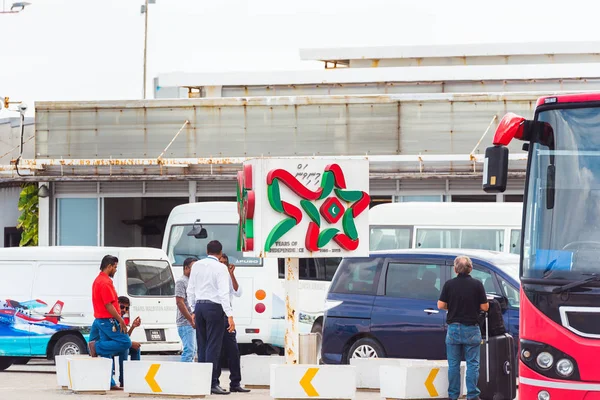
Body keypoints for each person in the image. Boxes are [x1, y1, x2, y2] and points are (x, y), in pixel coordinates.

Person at [187, 240, 236, 395]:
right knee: (213, 346)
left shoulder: (196, 266)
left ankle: (202, 381)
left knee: (202, 345)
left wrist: (193, 310)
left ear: (207, 251)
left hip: (199, 307)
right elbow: (223, 293)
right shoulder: (221, 268)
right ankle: (212, 383)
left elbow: (190, 290)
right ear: (220, 253)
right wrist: (229, 315)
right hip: (214, 308)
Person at [438, 256, 489, 400]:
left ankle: (453, 396)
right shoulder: (477, 284)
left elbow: (440, 305)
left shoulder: (449, 284)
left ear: (455, 269)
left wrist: (452, 306)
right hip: (472, 329)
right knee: (472, 364)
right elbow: (484, 307)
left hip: (453, 329)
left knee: (453, 365)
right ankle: (472, 395)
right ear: (471, 269)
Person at [88, 255, 132, 391]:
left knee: (107, 354)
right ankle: (96, 347)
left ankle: (110, 382)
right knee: (126, 343)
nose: (116, 270)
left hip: (102, 320)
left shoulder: (98, 280)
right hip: (108, 320)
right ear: (109, 266)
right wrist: (121, 321)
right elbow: (109, 305)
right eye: (115, 267)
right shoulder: (105, 282)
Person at [216, 253, 250, 393]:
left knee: (233, 351)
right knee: (216, 350)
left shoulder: (228, 277)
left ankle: (235, 383)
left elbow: (238, 292)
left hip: (227, 316)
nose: (222, 264)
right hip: (215, 314)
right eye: (220, 261)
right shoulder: (214, 276)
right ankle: (215, 382)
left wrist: (231, 275)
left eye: (225, 262)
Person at [115, 296, 142, 387]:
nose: (124, 310)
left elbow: (125, 336)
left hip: (117, 344)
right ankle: (123, 379)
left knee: (136, 349)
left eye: (126, 308)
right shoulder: (114, 317)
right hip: (108, 344)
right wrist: (130, 343)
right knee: (125, 348)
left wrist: (133, 326)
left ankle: (134, 377)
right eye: (122, 307)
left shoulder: (121, 318)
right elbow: (117, 338)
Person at [176, 257, 197, 362]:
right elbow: (180, 302)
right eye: (193, 267)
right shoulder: (181, 281)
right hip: (185, 323)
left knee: (193, 352)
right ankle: (183, 376)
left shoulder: (193, 282)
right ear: (186, 268)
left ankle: (190, 375)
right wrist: (190, 319)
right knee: (189, 351)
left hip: (192, 322)